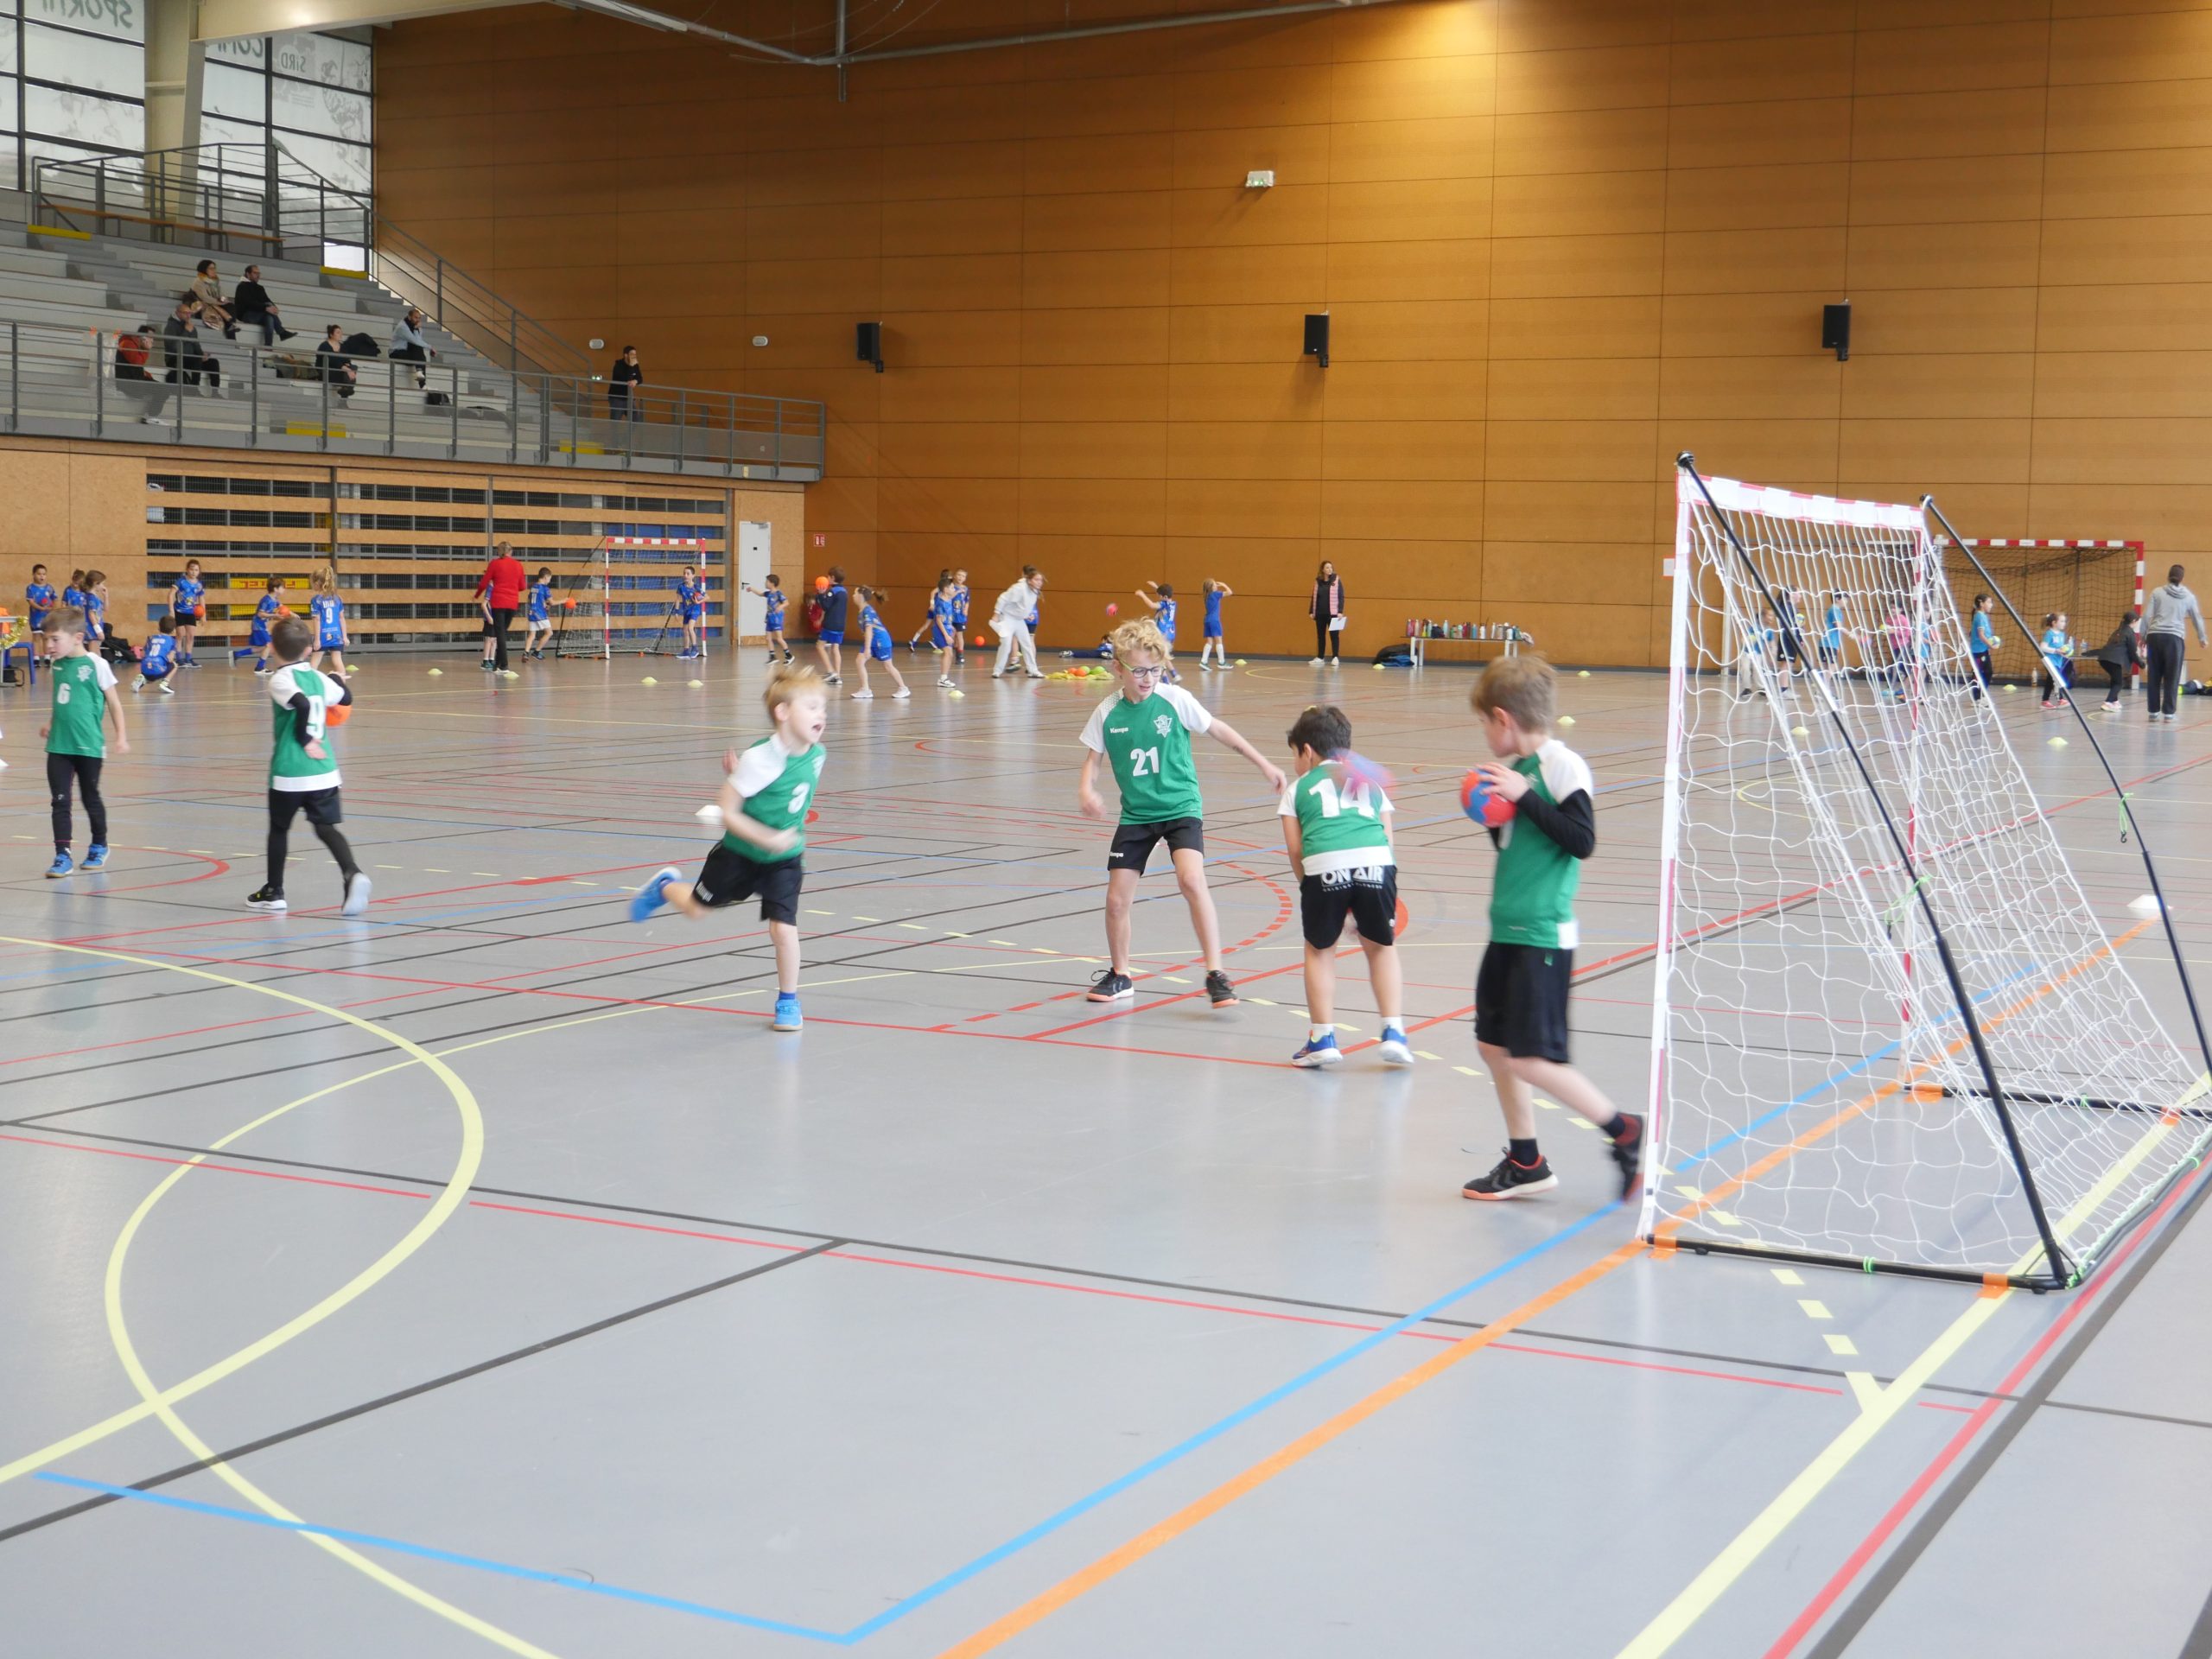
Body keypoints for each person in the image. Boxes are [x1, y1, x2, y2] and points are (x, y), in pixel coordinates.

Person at [1459, 656, 1643, 1202]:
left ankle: (1624, 1129)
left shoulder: (1561, 765)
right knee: (1493, 1046)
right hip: (1506, 930)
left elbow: (1580, 840)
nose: (1484, 732)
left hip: (1541, 935)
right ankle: (1527, 1161)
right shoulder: (1517, 773)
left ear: (1503, 718)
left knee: (1530, 1059)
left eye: (1484, 722)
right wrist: (1492, 813)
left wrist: (1523, 796)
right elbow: (1518, 846)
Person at [1076, 617, 1285, 1009]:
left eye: (1155, 670)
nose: (1148, 678)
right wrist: (1087, 789)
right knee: (1116, 901)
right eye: (1139, 670)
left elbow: (1218, 729)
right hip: (1137, 814)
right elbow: (1093, 760)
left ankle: (1216, 973)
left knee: (1191, 879)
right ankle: (1121, 975)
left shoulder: (1174, 699)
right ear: (1118, 667)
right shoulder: (1107, 711)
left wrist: (1264, 763)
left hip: (1180, 806)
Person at [629, 664, 826, 1033]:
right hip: (739, 856)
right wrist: (754, 806)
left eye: (823, 708)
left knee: (783, 929)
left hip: (784, 860)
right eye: (812, 707)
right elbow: (727, 811)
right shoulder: (761, 759)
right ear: (783, 712)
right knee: (696, 910)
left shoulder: (817, 754)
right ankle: (664, 887)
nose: (822, 715)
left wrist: (747, 783)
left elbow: (778, 791)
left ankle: (788, 1001)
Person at [1279, 705, 1411, 1069]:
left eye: (1294, 754)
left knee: (1319, 951)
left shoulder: (1297, 789)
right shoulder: (1369, 783)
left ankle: (1322, 1038)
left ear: (1307, 751)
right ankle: (1394, 1032)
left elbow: (1296, 850)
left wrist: (1313, 889)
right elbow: (1387, 839)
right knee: (1381, 948)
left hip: (1324, 868)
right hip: (1377, 864)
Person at [250, 613, 370, 917]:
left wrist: (305, 739)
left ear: (273, 647)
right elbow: (346, 698)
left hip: (291, 771)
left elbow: (301, 703)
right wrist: (336, 679)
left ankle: (274, 891)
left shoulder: (280, 679)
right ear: (308, 650)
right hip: (324, 771)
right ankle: (351, 872)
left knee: (279, 829)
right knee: (326, 827)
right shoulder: (318, 677)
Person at [39, 605, 125, 879]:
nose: (48, 646)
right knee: (60, 801)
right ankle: (62, 855)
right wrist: (51, 722)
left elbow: (114, 703)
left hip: (89, 746)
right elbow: (62, 699)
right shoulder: (57, 665)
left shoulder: (97, 665)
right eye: (46, 639)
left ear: (77, 638)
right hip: (59, 746)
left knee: (90, 798)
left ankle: (99, 845)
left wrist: (121, 736)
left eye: (55, 639)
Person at [2145, 563, 2208, 724]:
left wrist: (2143, 636)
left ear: (2168, 576)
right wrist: (2202, 638)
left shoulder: (2157, 592)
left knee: (2154, 675)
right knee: (2172, 676)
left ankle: (2153, 712)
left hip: (2154, 637)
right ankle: (2169, 714)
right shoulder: (2189, 596)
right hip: (2174, 639)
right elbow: (2197, 618)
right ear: (2182, 578)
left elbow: (2146, 616)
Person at [849, 585, 910, 701]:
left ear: (861, 596)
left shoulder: (868, 611)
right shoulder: (862, 611)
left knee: (888, 666)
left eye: (855, 593)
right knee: (859, 661)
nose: (853, 596)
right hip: (872, 641)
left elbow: (869, 630)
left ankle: (903, 688)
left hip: (881, 641)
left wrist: (867, 648)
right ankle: (865, 690)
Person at [476, 539, 525, 672]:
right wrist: (511, 586)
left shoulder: (494, 563)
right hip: (512, 604)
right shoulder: (518, 565)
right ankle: (497, 664)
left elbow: (484, 582)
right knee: (502, 633)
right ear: (511, 551)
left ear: (498, 552)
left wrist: (477, 595)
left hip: (499, 603)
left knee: (500, 634)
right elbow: (522, 586)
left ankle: (504, 665)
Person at [991, 566, 1046, 679]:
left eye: (1041, 580)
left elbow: (1025, 605)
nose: (1039, 582)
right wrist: (996, 614)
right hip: (1007, 618)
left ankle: (1033, 670)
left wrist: (1027, 614)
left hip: (1019, 620)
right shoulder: (1019, 588)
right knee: (1006, 644)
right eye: (1036, 579)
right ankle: (997, 671)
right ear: (1029, 580)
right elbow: (1003, 598)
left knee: (1027, 644)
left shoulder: (1035, 591)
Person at [161, 298, 219, 394]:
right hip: (175, 359)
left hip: (191, 359)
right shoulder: (171, 326)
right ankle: (194, 389)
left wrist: (202, 355)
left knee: (213, 363)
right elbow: (174, 347)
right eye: (186, 313)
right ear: (178, 313)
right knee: (196, 360)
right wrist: (186, 331)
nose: (188, 316)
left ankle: (215, 392)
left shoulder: (190, 326)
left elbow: (196, 345)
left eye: (190, 313)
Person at [2094, 611, 2143, 713]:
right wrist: (2142, 664)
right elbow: (2133, 653)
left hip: (2103, 659)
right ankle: (2108, 702)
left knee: (2115, 680)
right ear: (2134, 621)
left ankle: (2114, 701)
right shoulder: (2130, 633)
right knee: (2119, 683)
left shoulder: (2118, 631)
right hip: (2113, 660)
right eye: (2137, 622)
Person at [230, 265, 296, 341]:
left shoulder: (260, 288)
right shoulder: (242, 286)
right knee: (268, 311)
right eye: (255, 273)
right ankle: (281, 332)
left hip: (259, 313)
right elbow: (249, 303)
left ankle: (269, 345)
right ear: (248, 274)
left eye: (259, 273)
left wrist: (274, 307)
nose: (258, 275)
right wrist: (266, 308)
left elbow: (266, 299)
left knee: (269, 317)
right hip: (246, 315)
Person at [1135, 582, 1180, 682]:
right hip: (1170, 633)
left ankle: (1166, 681)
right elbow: (1165, 594)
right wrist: (1156, 587)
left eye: (1159, 596)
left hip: (1161, 633)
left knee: (1158, 658)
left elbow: (1152, 605)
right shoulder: (1173, 604)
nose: (1158, 598)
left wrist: (1142, 595)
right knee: (1164, 655)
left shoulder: (1164, 604)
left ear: (1164, 597)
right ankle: (1175, 675)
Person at [742, 574, 791, 664]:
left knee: (779, 639)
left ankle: (789, 656)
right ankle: (772, 657)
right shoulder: (769, 593)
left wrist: (780, 607)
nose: (765, 583)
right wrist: (752, 589)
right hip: (769, 618)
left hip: (777, 619)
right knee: (768, 638)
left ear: (772, 583)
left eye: (767, 581)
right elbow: (761, 594)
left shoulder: (778, 593)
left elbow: (786, 602)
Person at [309, 567, 349, 678]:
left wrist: (317, 639)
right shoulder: (337, 599)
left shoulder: (316, 600)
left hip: (323, 635)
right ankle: (342, 685)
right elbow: (342, 618)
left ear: (317, 583)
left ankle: (310, 685)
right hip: (337, 635)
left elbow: (317, 619)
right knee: (337, 660)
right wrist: (344, 636)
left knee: (314, 663)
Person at [240, 577, 284, 671]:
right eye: (282, 587)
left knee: (263, 647)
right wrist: (275, 615)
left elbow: (283, 608)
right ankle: (259, 668)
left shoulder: (275, 600)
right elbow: (260, 614)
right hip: (258, 625)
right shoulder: (266, 600)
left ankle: (236, 654)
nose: (284, 589)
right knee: (269, 645)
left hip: (263, 626)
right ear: (276, 589)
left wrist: (293, 615)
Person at [815, 566, 849, 684]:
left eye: (828, 576)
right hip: (841, 625)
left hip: (831, 624)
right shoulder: (844, 591)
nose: (827, 578)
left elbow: (826, 606)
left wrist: (820, 594)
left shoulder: (832, 591)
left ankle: (830, 672)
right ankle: (837, 676)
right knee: (835, 648)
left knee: (820, 646)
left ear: (833, 578)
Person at [1309, 559, 1345, 666]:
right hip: (1320, 613)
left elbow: (1341, 597)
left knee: (1334, 636)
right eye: (1327, 568)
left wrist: (1340, 611)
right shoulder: (1318, 582)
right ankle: (1320, 657)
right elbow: (1314, 597)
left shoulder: (1336, 580)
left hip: (1333, 614)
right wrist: (1311, 611)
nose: (1330, 569)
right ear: (1323, 570)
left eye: (1331, 567)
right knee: (1321, 636)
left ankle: (1335, 657)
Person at [170, 556, 206, 668]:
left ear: (199, 571)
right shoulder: (181, 581)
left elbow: (201, 599)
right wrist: (171, 611)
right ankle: (179, 659)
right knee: (180, 635)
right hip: (179, 611)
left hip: (191, 612)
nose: (194, 572)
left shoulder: (199, 584)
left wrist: (203, 615)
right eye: (192, 569)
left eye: (196, 570)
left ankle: (188, 659)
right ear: (187, 569)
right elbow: (171, 594)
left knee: (191, 636)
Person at [927, 575, 960, 687]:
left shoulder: (948, 599)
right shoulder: (940, 603)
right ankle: (943, 679)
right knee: (948, 653)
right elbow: (939, 621)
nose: (954, 589)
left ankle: (944, 678)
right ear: (946, 590)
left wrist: (951, 627)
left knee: (949, 654)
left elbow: (947, 617)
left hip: (947, 628)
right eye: (952, 588)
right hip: (940, 631)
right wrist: (946, 635)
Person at [189, 260, 237, 338]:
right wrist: (219, 302)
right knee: (228, 307)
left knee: (230, 305)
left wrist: (223, 299)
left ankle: (231, 326)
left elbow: (222, 294)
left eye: (214, 268)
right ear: (204, 269)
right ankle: (231, 328)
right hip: (205, 306)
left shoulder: (215, 281)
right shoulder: (198, 281)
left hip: (215, 304)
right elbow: (205, 298)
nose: (214, 270)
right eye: (211, 268)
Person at [389, 308, 435, 388]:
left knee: (420, 353)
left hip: (408, 353)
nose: (418, 320)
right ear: (409, 317)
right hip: (396, 353)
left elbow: (418, 341)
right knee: (420, 354)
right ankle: (422, 382)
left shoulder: (417, 327)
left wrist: (416, 329)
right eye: (415, 317)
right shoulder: (402, 327)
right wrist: (430, 347)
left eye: (419, 318)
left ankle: (421, 378)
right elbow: (415, 341)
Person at [133, 617, 180, 695]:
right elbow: (170, 659)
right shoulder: (172, 641)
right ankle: (164, 683)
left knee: (151, 676)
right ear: (173, 630)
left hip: (145, 669)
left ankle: (142, 678)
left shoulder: (151, 638)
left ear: (159, 627)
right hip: (158, 671)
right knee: (174, 665)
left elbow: (142, 654)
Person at [2038, 612, 2075, 709]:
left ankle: (2045, 701)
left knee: (2050, 681)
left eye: (2065, 621)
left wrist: (2065, 652)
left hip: (2058, 662)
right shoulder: (2049, 633)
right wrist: (2056, 651)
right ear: (2054, 623)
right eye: (2062, 621)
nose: (2064, 623)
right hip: (2050, 661)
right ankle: (2060, 700)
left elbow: (2060, 648)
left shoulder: (2062, 634)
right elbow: (2042, 647)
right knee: (2057, 679)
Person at [1967, 594, 1999, 696]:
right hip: (1978, 652)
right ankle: (1977, 698)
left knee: (1988, 672)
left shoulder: (1983, 616)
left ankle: (1981, 695)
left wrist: (1989, 645)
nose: (1991, 605)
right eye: (1989, 602)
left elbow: (1982, 634)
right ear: (1981, 604)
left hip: (1983, 650)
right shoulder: (1980, 616)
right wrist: (1991, 645)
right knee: (1978, 674)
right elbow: (1981, 635)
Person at [1198, 579, 1234, 671]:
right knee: (1219, 641)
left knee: (1209, 642)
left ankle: (1204, 661)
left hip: (1207, 620)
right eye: (1215, 584)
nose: (1217, 586)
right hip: (1214, 620)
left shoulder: (1206, 596)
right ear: (1211, 587)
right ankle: (1221, 662)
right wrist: (1224, 584)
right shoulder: (1216, 594)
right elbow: (1230, 592)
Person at [316, 325, 358, 402]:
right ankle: (344, 398)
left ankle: (346, 389)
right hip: (327, 372)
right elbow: (332, 360)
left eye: (341, 333)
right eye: (338, 333)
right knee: (349, 373)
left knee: (353, 367)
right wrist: (345, 368)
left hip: (339, 372)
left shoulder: (343, 346)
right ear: (331, 334)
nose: (341, 335)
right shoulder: (324, 346)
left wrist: (347, 365)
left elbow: (347, 360)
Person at [26, 563, 55, 662]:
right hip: (36, 617)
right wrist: (41, 608)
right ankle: (36, 658)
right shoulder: (30, 588)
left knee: (46, 637)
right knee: (36, 637)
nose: (42, 576)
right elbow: (31, 602)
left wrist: (52, 608)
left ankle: (47, 657)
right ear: (33, 574)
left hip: (47, 618)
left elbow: (54, 599)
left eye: (44, 574)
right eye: (39, 574)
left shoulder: (49, 588)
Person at [675, 565, 705, 661]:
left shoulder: (696, 588)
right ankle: (686, 651)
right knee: (685, 630)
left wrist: (698, 602)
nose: (685, 575)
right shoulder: (681, 586)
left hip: (695, 610)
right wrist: (676, 611)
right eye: (684, 573)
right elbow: (678, 599)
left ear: (693, 576)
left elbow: (707, 597)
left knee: (690, 628)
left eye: (688, 574)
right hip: (686, 611)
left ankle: (695, 648)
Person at [523, 567, 554, 660]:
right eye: (549, 578)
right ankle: (537, 652)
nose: (549, 581)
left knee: (532, 635)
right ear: (546, 577)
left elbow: (529, 600)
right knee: (549, 633)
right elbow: (552, 602)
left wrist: (542, 604)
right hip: (540, 614)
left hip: (532, 612)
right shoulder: (545, 588)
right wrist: (565, 600)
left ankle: (526, 653)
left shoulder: (533, 587)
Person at [609, 345, 644, 421]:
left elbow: (640, 378)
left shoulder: (635, 365)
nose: (634, 356)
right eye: (632, 354)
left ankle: (629, 430)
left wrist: (635, 381)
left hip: (628, 397)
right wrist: (631, 366)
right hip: (617, 397)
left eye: (635, 354)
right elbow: (626, 379)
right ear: (626, 355)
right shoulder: (618, 365)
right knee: (615, 421)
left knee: (636, 420)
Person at [951, 569, 970, 666]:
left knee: (959, 635)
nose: (960, 577)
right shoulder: (951, 587)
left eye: (963, 576)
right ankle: (949, 652)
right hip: (950, 614)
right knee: (951, 634)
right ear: (955, 576)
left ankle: (960, 655)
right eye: (959, 575)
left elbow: (967, 601)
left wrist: (966, 609)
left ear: (965, 578)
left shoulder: (966, 589)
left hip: (960, 616)